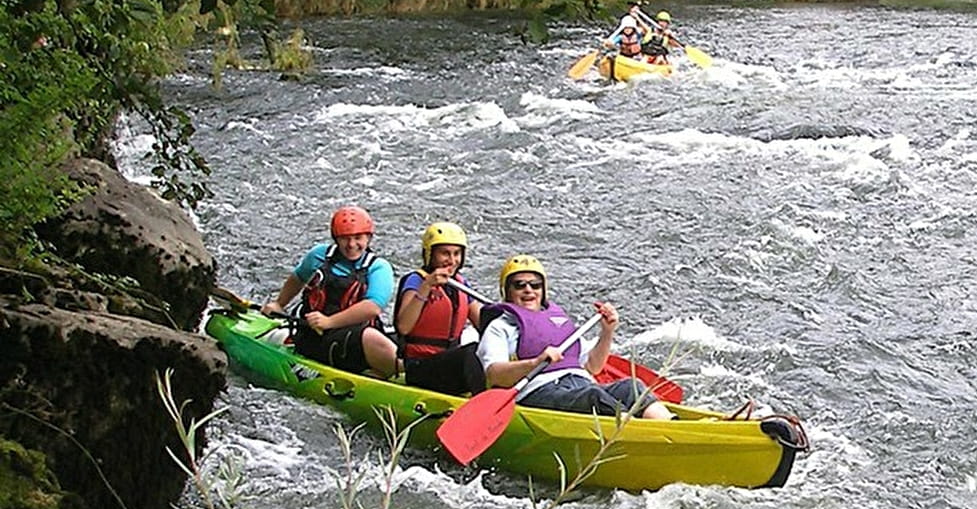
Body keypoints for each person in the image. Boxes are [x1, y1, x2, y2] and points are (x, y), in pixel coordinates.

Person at [478, 255, 674, 419]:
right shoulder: (501, 327)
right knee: (593, 396)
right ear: (507, 291)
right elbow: (495, 374)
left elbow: (593, 367)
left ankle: (671, 427)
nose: (529, 290)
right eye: (519, 285)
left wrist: (607, 332)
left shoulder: (558, 321)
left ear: (543, 290)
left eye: (535, 285)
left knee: (631, 387)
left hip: (580, 383)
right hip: (537, 392)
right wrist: (535, 363)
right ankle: (640, 432)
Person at [263, 206, 398, 377]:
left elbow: (373, 307)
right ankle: (396, 368)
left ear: (369, 238)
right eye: (345, 239)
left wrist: (329, 321)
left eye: (358, 238)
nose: (351, 245)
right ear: (336, 238)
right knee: (371, 337)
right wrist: (279, 303)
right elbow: (298, 277)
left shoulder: (378, 267)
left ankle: (404, 367)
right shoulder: (319, 256)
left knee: (397, 338)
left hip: (351, 336)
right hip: (315, 337)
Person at [392, 222, 486, 395]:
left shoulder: (460, 284)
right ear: (430, 254)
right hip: (419, 366)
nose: (451, 260)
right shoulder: (417, 281)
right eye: (445, 253)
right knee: (470, 352)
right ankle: (483, 401)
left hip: (447, 362)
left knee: (485, 350)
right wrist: (427, 287)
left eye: (457, 254)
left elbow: (482, 322)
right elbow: (404, 326)